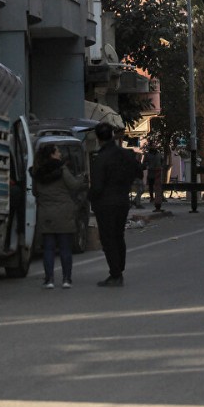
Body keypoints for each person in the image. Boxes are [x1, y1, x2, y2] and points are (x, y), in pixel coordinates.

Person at [89, 122, 143, 287]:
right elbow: (139, 171)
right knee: (118, 235)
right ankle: (119, 267)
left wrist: (89, 197)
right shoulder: (126, 154)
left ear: (98, 138)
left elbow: (97, 186)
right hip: (122, 200)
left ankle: (115, 273)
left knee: (108, 238)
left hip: (105, 203)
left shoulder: (101, 159)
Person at [31, 143, 86, 289]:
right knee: (65, 248)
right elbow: (74, 185)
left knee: (48, 248)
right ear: (52, 154)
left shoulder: (37, 172)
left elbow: (35, 192)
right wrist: (82, 178)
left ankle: (49, 280)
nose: (60, 154)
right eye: (57, 152)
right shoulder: (62, 169)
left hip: (46, 213)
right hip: (64, 212)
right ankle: (66, 279)